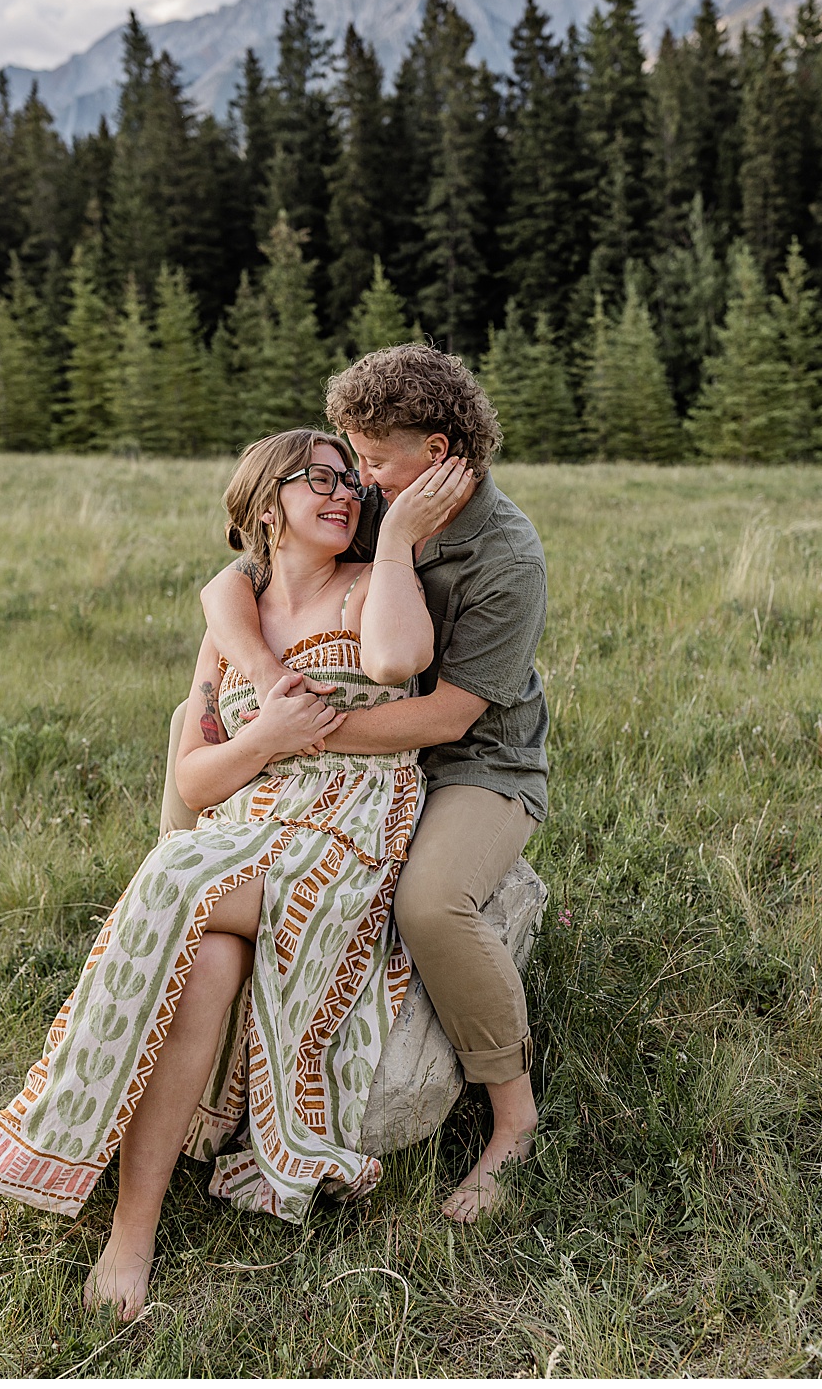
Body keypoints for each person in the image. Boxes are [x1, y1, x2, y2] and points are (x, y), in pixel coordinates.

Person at [0, 428, 471, 1322]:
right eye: (314, 477)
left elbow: (398, 664)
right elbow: (198, 780)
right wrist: (263, 740)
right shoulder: (230, 624)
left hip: (345, 834)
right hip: (245, 827)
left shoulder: (369, 586)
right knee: (202, 961)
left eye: (350, 479)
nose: (343, 491)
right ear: (265, 501)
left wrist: (394, 542)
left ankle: (25, 1138)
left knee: (170, 878)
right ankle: (134, 1232)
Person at [193, 343, 549, 1223]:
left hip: (473, 766)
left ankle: (513, 1116)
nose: (355, 478)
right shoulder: (370, 500)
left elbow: (447, 717)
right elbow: (231, 583)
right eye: (350, 459)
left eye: (374, 458)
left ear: (436, 452)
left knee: (429, 904)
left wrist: (300, 738)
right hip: (345, 758)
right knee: (190, 758)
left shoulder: (507, 557)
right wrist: (267, 688)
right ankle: (185, 995)